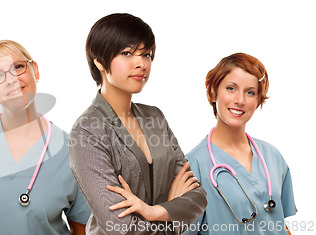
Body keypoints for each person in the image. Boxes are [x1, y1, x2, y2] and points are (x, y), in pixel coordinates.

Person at [69, 13, 207, 234]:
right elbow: (119, 226)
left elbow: (198, 197)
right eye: (127, 53)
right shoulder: (87, 130)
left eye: (147, 54)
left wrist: (155, 212)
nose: (141, 64)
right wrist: (172, 213)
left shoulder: (155, 118)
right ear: (99, 61)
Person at [0, 40, 91, 234]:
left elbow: (81, 230)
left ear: (35, 71)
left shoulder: (72, 152)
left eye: (18, 67)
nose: (11, 79)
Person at [185, 53, 297, 234]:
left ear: (258, 101)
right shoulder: (193, 165)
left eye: (250, 92)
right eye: (231, 88)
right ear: (213, 92)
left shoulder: (272, 156)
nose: (240, 100)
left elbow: (280, 224)